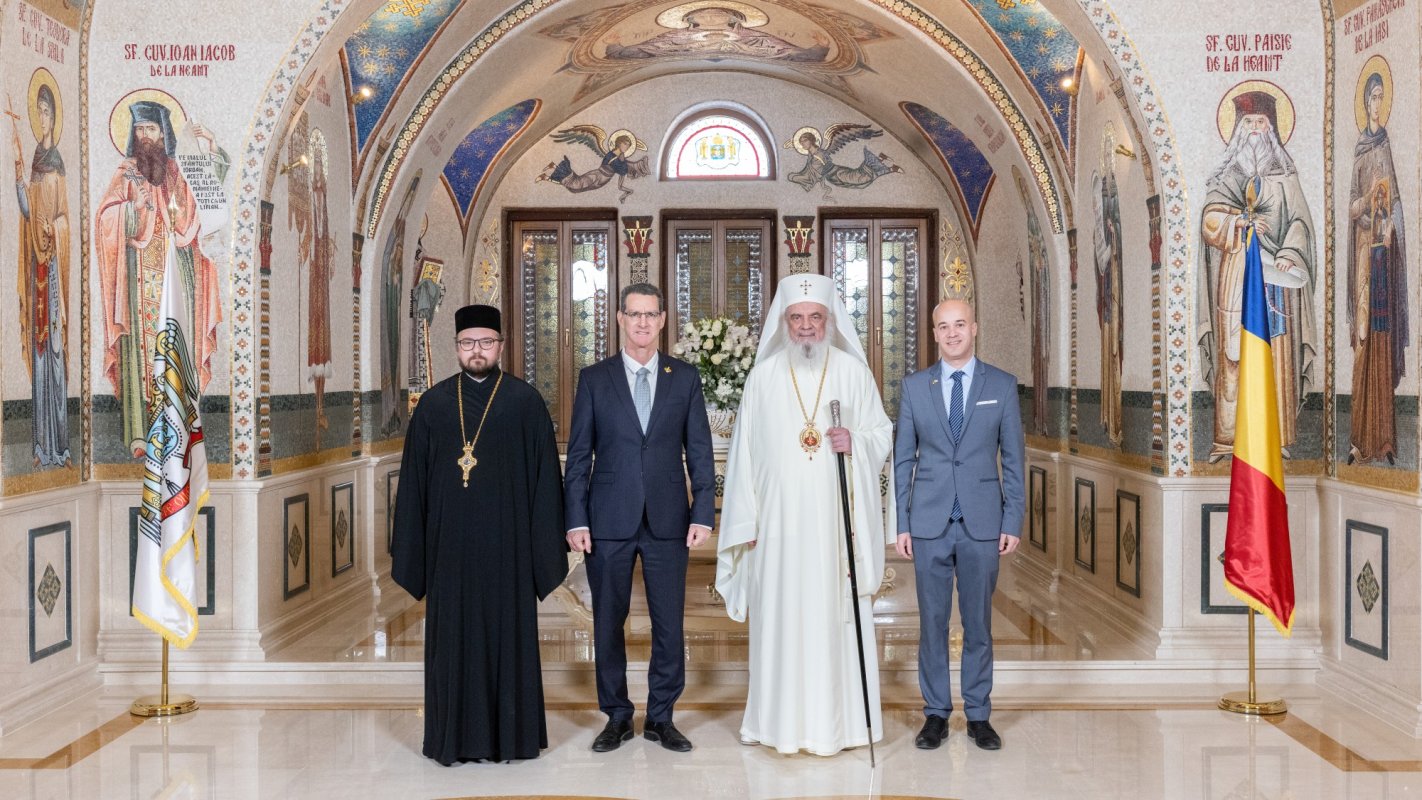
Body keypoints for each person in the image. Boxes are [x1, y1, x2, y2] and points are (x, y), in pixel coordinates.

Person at [716, 273, 893, 756]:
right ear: (784, 322)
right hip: (777, 532)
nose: (807, 326)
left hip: (835, 530)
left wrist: (855, 441)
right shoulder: (763, 378)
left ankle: (843, 726)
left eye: (815, 317)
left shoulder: (853, 373)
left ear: (830, 321)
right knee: (781, 623)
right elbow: (743, 458)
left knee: (835, 621)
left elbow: (881, 433)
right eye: (797, 318)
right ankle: (776, 724)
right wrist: (747, 521)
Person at [391, 304, 569, 765]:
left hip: (510, 552)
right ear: (456, 347)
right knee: (453, 644)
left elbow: (546, 485)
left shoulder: (525, 403)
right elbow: (412, 487)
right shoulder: (433, 406)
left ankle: (512, 738)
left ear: (501, 346)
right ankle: (453, 739)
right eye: (468, 343)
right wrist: (415, 551)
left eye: (486, 342)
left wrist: (542, 552)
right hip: (449, 552)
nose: (477, 351)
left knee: (507, 640)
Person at [563, 283, 716, 753]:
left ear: (663, 320)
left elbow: (700, 450)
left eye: (651, 314)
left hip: (669, 519)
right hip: (607, 519)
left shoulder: (684, 377)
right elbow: (579, 455)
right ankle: (617, 716)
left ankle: (661, 717)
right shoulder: (595, 378)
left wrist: (703, 512)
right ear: (620, 319)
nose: (643, 323)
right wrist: (576, 520)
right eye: (635, 314)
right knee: (608, 621)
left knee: (669, 624)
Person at [895, 299, 1024, 752]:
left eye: (960, 325)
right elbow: (903, 460)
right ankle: (935, 714)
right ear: (934, 333)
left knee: (978, 624)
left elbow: (1014, 459)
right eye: (944, 326)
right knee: (931, 624)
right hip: (928, 522)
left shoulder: (1002, 385)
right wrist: (902, 522)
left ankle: (978, 715)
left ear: (975, 328)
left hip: (982, 523)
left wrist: (1012, 519)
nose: (952, 333)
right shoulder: (914, 387)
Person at [95, 100, 223, 457]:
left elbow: (204, 208)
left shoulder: (176, 173)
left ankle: (178, 427)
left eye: (151, 129)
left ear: (164, 133)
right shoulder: (127, 173)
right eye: (139, 130)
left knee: (176, 346)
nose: (145, 136)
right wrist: (130, 211)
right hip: (137, 282)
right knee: (140, 351)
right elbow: (104, 218)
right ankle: (140, 432)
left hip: (175, 279)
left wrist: (210, 149)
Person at [1197, 90, 1316, 461]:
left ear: (1272, 128)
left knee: (1275, 355)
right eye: (1247, 122)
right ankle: (1228, 440)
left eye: (1260, 122)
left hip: (1276, 282)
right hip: (1236, 280)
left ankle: (1274, 439)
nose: (1253, 129)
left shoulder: (1285, 177)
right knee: (1233, 356)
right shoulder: (1226, 176)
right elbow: (1209, 221)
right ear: (1237, 128)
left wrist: (1288, 252)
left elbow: (1300, 223)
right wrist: (1240, 222)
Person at [1346, 70, 1407, 465]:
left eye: (1382, 97)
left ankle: (1384, 441)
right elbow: (1352, 208)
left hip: (1384, 255)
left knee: (1382, 340)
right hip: (1365, 260)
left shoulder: (1385, 146)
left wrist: (1391, 227)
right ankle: (1358, 441)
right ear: (1365, 102)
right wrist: (1368, 199)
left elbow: (1396, 201)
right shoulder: (1361, 151)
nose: (1377, 104)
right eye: (1372, 97)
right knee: (1364, 340)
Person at [12, 78, 71, 468]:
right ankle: (39, 447)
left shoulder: (58, 165)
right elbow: (28, 212)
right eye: (40, 111)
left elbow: (63, 217)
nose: (43, 117)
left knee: (55, 353)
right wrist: (20, 177)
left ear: (54, 117)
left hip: (53, 277)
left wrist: (56, 229)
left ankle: (61, 448)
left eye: (48, 111)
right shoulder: (35, 165)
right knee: (39, 354)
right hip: (37, 269)